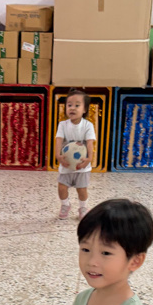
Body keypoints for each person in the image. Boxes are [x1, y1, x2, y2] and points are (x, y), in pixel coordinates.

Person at [55, 89, 97, 221]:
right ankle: (65, 205)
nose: (72, 108)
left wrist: (89, 159)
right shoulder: (63, 125)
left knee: (82, 189)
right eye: (69, 105)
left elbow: (90, 143)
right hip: (66, 164)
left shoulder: (88, 125)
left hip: (81, 166)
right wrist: (58, 156)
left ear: (85, 109)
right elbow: (58, 140)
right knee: (61, 187)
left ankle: (83, 208)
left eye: (77, 105)